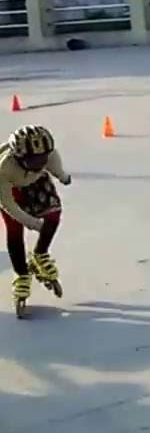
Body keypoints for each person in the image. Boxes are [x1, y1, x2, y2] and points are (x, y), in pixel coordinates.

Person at [0, 125, 71, 316]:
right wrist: (32, 223)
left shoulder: (49, 155)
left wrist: (62, 176)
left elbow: (54, 164)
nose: (40, 162)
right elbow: (9, 206)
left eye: (43, 158)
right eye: (33, 160)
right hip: (11, 188)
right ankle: (22, 273)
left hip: (36, 182)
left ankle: (40, 254)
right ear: (18, 157)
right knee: (14, 229)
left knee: (53, 213)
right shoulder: (4, 169)